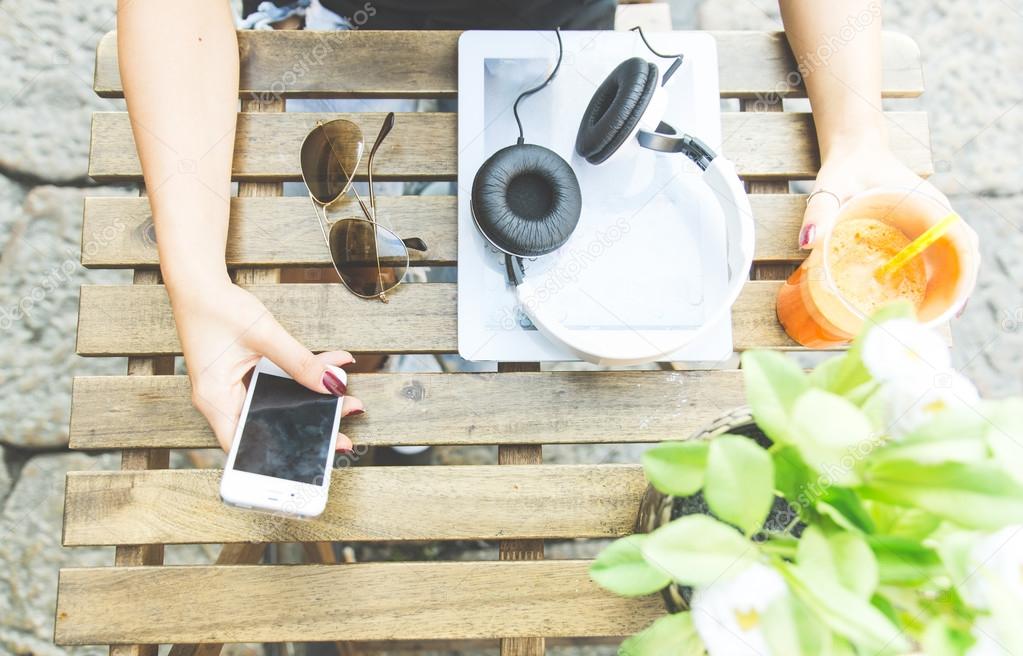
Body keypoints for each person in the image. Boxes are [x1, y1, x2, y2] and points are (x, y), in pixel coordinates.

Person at [116, 0, 951, 452]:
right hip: (340, 36)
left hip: (572, 45)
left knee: (562, 298)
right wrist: (195, 274)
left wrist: (856, 135)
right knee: (327, 317)